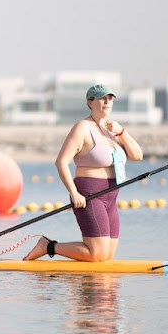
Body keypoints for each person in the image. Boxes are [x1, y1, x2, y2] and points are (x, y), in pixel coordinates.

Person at [25, 84, 143, 263]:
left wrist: (121, 132)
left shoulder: (113, 130)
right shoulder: (82, 128)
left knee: (107, 256)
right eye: (102, 98)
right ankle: (47, 246)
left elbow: (138, 155)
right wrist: (74, 192)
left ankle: (79, 283)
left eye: (110, 98)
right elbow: (61, 162)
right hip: (89, 195)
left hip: (111, 198)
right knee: (96, 254)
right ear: (90, 102)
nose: (106, 101)